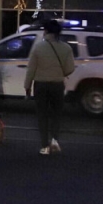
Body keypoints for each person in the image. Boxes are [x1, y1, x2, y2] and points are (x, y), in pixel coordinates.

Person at [25, 18, 76, 155]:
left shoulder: (38, 47)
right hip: (57, 85)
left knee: (42, 115)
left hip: (41, 85)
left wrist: (27, 86)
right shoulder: (66, 48)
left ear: (46, 31)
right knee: (56, 114)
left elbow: (31, 69)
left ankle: (45, 146)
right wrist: (61, 73)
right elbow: (70, 68)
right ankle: (54, 140)